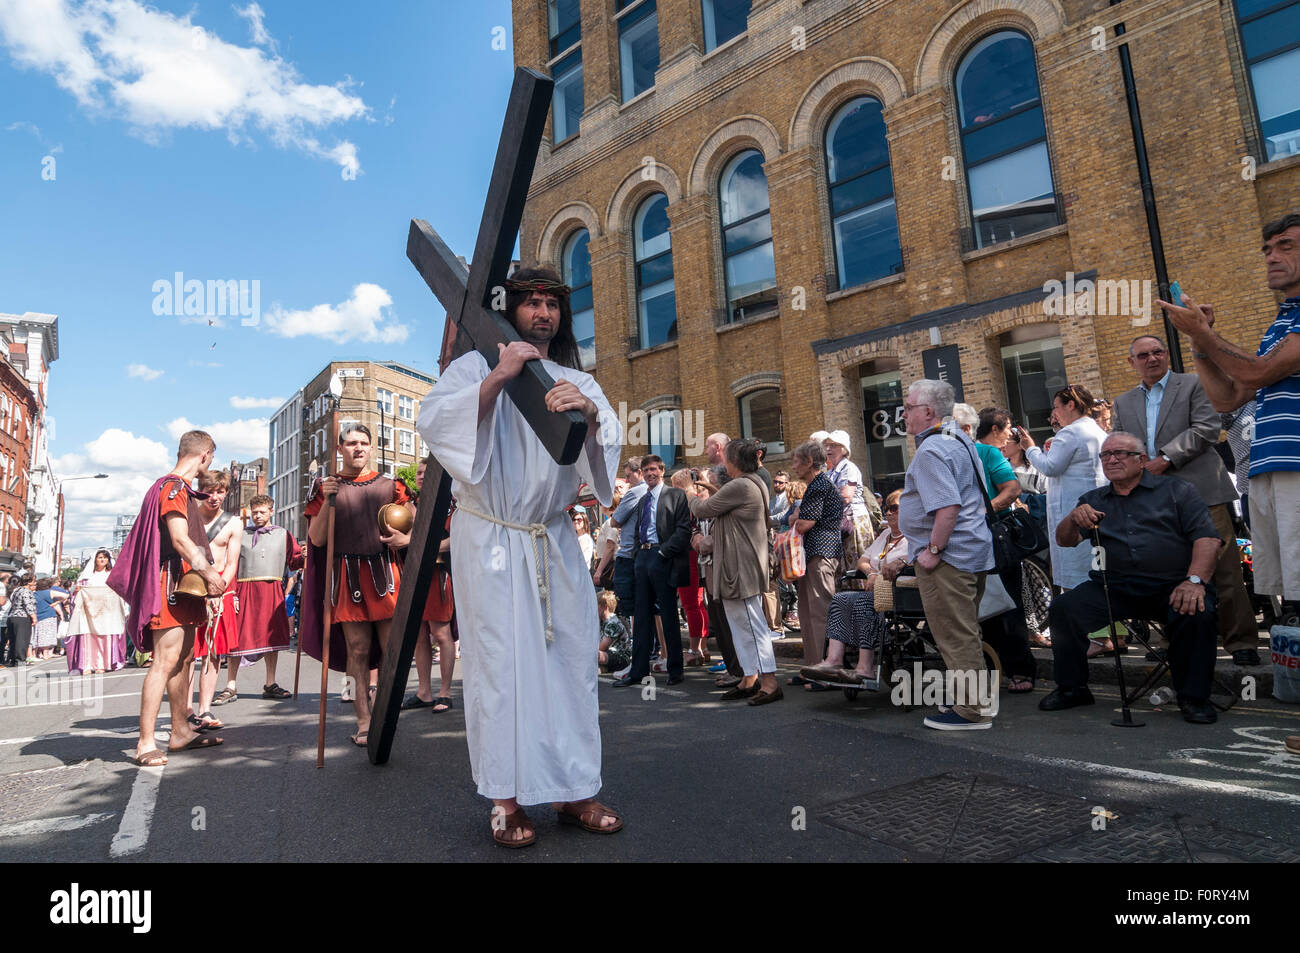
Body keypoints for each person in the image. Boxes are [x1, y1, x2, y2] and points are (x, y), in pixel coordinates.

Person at [418, 265, 623, 847]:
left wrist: (586, 414)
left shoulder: (574, 379)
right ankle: (505, 799)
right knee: (499, 668)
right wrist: (499, 377)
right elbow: (435, 421)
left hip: (551, 537)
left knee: (571, 663)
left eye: (552, 304)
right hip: (491, 537)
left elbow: (605, 447)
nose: (544, 313)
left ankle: (575, 789)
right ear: (510, 310)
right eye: (532, 303)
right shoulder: (474, 365)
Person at [1162, 212, 1300, 606]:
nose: (1272, 256)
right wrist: (1199, 345)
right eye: (1267, 250)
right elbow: (1228, 398)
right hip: (1268, 466)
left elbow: (1260, 372)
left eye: (1285, 246)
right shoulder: (1282, 321)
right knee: (1291, 594)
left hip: (1295, 463)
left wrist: (1203, 331)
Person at [1040, 432, 1223, 724]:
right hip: (1114, 586)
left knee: (1196, 612)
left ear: (1141, 460)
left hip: (1173, 584)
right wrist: (1073, 518)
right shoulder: (1093, 499)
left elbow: (1208, 539)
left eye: (1120, 453)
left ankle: (1193, 696)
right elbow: (1065, 540)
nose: (1111, 459)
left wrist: (1195, 581)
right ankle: (1072, 688)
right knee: (1064, 609)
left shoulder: (1177, 491)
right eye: (1105, 455)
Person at [1112, 335, 1260, 666]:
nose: (1152, 358)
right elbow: (1120, 445)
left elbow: (1207, 429)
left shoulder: (1192, 384)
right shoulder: (1123, 403)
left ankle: (1241, 641)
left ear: (1166, 355)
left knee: (1224, 568)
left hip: (1201, 491)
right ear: (1131, 362)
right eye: (1143, 355)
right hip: (1154, 497)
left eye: (1158, 352)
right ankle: (1175, 637)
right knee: (1169, 571)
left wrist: (1165, 458)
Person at [108, 430, 227, 766]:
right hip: (171, 583)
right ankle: (145, 742)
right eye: (211, 459)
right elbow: (180, 540)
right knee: (164, 661)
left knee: (185, 659)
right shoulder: (173, 487)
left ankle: (180, 731)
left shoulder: (180, 489)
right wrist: (211, 575)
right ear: (205, 455)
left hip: (184, 586)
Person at [884, 379, 996, 730]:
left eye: (909, 408)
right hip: (971, 551)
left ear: (928, 412)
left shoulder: (931, 450)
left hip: (950, 557)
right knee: (964, 631)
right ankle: (971, 700)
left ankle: (971, 710)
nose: (904, 415)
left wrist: (932, 550)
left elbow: (947, 507)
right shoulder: (959, 438)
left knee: (954, 634)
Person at [300, 423, 412, 747]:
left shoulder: (391, 486)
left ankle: (386, 713)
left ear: (372, 447)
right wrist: (329, 498)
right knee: (357, 650)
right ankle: (363, 720)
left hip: (385, 574)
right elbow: (317, 539)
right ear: (340, 449)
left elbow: (416, 524)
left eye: (364, 443)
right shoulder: (326, 487)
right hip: (347, 578)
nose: (358, 448)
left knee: (392, 650)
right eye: (351, 443)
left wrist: (406, 539)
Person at [688, 438, 781, 705]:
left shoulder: (742, 484)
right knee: (740, 623)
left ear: (735, 461)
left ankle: (770, 682)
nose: (724, 460)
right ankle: (749, 677)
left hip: (741, 566)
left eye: (727, 456)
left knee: (752, 624)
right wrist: (710, 487)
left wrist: (688, 491)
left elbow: (704, 509)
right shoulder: (748, 483)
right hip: (738, 564)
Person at [801, 489, 909, 687]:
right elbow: (863, 560)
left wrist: (895, 566)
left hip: (899, 592)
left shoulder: (913, 537)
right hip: (875, 588)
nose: (889, 513)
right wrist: (871, 573)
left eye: (895, 508)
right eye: (887, 509)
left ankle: (865, 667)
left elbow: (914, 560)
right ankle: (833, 660)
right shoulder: (885, 535)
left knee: (861, 602)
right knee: (840, 599)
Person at [969, 407, 1036, 693]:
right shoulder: (989, 453)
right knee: (1005, 604)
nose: (1010, 434)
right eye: (1008, 427)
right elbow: (1012, 489)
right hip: (987, 540)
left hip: (977, 536)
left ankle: (1002, 669)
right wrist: (984, 515)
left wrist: (980, 514)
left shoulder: (975, 452)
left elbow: (1010, 491)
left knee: (990, 605)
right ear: (995, 430)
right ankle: (1017, 669)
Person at [613, 454, 691, 688]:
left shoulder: (675, 495)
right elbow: (638, 529)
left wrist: (663, 553)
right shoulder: (643, 499)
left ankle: (675, 670)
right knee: (641, 617)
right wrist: (638, 553)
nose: (649, 474)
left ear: (662, 470)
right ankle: (638, 671)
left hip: (662, 557)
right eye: (646, 470)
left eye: (653, 469)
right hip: (643, 558)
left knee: (668, 615)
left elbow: (683, 529)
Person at [1020, 385, 1108, 590]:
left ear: (1071, 405)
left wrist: (1030, 448)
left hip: (1072, 511)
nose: (1055, 413)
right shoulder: (1097, 431)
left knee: (1076, 577)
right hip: (1093, 507)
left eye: (1056, 407)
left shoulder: (1070, 433)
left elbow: (1050, 466)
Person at [230, 493, 303, 700]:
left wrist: (305, 556)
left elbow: (294, 562)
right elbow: (231, 566)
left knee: (272, 638)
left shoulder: (283, 534)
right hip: (244, 590)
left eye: (262, 511)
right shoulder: (240, 534)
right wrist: (231, 593)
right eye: (254, 512)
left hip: (272, 591)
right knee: (238, 637)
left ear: (272, 511)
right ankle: (230, 685)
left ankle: (270, 683)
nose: (258, 515)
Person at [400, 459, 458, 714]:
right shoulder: (412, 506)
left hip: (438, 573)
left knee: (441, 634)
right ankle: (424, 692)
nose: (422, 476)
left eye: (426, 471)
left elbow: (457, 538)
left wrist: (421, 546)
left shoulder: (451, 504)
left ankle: (445, 691)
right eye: (419, 473)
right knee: (418, 634)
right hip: (413, 573)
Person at [190, 472, 243, 728]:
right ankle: (185, 709)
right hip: (189, 591)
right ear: (200, 490)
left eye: (219, 492)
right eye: (209, 491)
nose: (214, 497)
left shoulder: (233, 523)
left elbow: (232, 563)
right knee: (187, 654)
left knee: (212, 654)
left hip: (217, 593)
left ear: (226, 493)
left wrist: (218, 590)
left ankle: (205, 710)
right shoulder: (188, 519)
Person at [788, 441, 841, 684]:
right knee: (807, 613)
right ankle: (811, 668)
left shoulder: (819, 485)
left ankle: (824, 670)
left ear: (809, 462)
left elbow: (803, 523)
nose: (793, 466)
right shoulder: (815, 485)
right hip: (812, 554)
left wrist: (796, 516)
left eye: (797, 461)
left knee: (820, 613)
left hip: (821, 554)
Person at [65, 550, 128, 675]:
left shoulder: (112, 575)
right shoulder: (86, 577)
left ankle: (103, 664)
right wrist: (77, 590)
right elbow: (76, 595)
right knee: (88, 639)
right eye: (100, 557)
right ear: (95, 560)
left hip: (106, 613)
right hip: (88, 614)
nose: (102, 560)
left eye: (105, 558)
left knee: (104, 638)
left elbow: (120, 592)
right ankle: (87, 664)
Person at [670, 468, 709, 665]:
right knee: (698, 603)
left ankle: (695, 650)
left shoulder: (687, 501)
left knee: (691, 604)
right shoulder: (699, 498)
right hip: (696, 554)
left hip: (687, 554)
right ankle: (703, 647)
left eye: (674, 485)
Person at [31, 578, 69, 661]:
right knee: (47, 635)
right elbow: (66, 595)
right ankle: (46, 654)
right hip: (48, 614)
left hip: (38, 615)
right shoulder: (49, 592)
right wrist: (57, 602)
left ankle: (37, 654)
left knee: (37, 635)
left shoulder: (34, 593)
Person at [4, 573, 36, 666]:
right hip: (22, 617)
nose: (35, 583)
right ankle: (20, 659)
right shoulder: (26, 591)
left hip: (13, 616)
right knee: (22, 639)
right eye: (34, 581)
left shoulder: (17, 590)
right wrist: (34, 617)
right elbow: (28, 605)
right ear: (29, 582)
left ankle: (12, 659)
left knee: (14, 639)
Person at [597, 591, 631, 673]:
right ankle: (602, 668)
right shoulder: (602, 621)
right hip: (608, 655)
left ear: (605, 606)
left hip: (621, 658)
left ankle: (603, 668)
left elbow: (602, 647)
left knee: (593, 654)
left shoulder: (613, 624)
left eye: (596, 605)